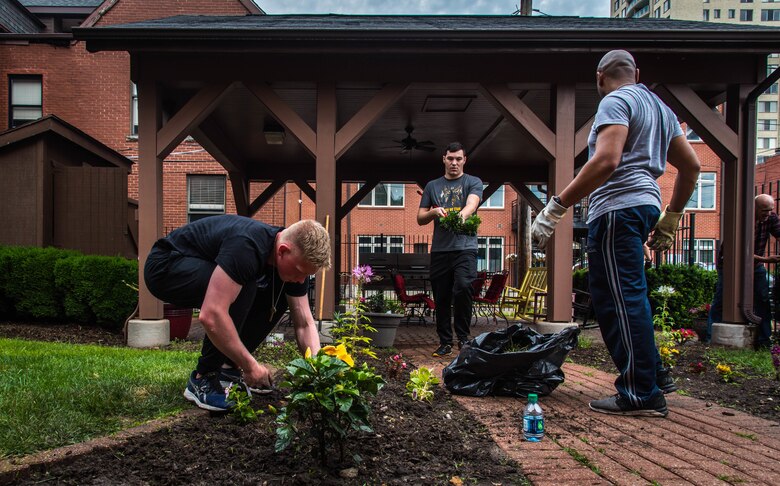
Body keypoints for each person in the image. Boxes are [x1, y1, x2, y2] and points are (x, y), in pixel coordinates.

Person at [531, 50, 701, 417]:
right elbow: (692, 166)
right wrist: (671, 218)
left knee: (617, 301)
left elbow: (606, 160)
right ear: (636, 72)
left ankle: (640, 393)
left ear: (599, 77)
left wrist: (556, 207)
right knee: (629, 295)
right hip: (645, 206)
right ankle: (655, 374)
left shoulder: (616, 100)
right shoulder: (660, 109)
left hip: (616, 210)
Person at [144, 215, 330, 411]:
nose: (302, 280)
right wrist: (251, 366)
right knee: (245, 285)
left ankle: (227, 369)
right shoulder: (247, 246)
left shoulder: (291, 262)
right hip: (166, 266)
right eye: (300, 271)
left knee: (278, 292)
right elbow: (211, 314)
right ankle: (203, 377)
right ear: (283, 251)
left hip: (204, 267)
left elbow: (304, 323)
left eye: (307, 275)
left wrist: (318, 373)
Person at [418, 142, 483, 357]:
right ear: (443, 159)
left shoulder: (473, 182)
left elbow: (472, 203)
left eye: (458, 159)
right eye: (450, 159)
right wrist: (434, 212)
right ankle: (445, 341)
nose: (454, 163)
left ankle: (463, 338)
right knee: (442, 297)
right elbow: (420, 218)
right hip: (440, 251)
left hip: (466, 248)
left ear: (464, 160)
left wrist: (461, 216)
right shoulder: (432, 186)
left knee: (464, 287)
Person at [706, 194, 780, 347]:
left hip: (755, 265)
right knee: (722, 300)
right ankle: (710, 337)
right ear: (754, 208)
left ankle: (764, 341)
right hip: (730, 264)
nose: (767, 214)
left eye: (770, 210)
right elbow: (738, 252)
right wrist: (767, 260)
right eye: (764, 210)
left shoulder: (770, 218)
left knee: (762, 299)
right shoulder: (741, 220)